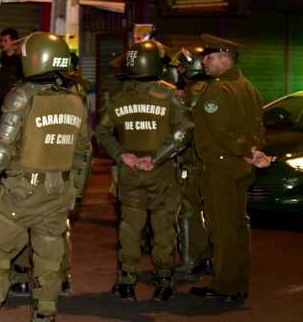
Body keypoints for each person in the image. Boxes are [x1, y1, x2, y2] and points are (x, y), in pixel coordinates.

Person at [0, 32, 91, 322]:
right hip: (57, 194)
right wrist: (77, 195)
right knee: (49, 262)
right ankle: (44, 317)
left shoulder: (22, 94)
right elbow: (83, 154)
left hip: (20, 195)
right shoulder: (76, 96)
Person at [95, 40, 193, 302]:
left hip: (129, 172)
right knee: (164, 232)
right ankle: (165, 284)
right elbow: (182, 134)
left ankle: (126, 283)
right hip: (161, 174)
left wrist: (121, 155)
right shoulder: (173, 95)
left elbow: (102, 132)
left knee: (130, 230)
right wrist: (157, 158)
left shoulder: (115, 95)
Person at [189, 34, 270, 302]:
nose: (204, 61)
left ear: (225, 59)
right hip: (242, 167)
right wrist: (255, 151)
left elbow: (223, 131)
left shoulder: (218, 89)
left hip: (221, 167)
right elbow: (259, 127)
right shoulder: (248, 87)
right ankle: (238, 283)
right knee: (238, 226)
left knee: (222, 228)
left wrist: (250, 151)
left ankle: (225, 286)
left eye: (209, 57)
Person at [172, 47, 214, 281]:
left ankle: (190, 260)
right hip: (208, 160)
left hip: (192, 160)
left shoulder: (192, 93)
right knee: (209, 210)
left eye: (182, 67)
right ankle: (209, 256)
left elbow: (186, 130)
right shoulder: (213, 88)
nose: (178, 71)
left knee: (187, 211)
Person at [0, 28, 23, 117]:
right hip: (1, 101)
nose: (2, 44)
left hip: (13, 101)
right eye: (1, 41)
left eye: (5, 41)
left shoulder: (21, 59)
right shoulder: (3, 57)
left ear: (14, 41)